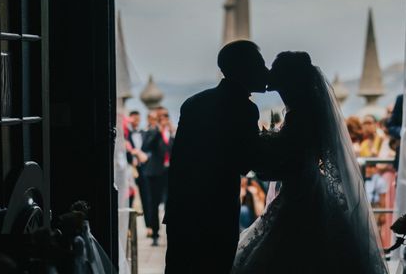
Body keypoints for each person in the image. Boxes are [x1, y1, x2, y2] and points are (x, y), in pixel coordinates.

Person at [232, 51, 388, 274]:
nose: (269, 72)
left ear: (288, 78)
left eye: (275, 68)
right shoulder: (303, 112)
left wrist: (262, 154)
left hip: (300, 197)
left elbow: (290, 160)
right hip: (306, 191)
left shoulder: (300, 117)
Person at [164, 40, 269, 273]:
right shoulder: (244, 108)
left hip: (182, 208)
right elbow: (244, 163)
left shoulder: (193, 103)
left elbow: (180, 161)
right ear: (245, 69)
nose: (266, 71)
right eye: (260, 65)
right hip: (216, 212)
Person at [142, 108, 174, 246]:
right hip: (155, 173)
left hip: (169, 172)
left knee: (170, 202)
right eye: (161, 117)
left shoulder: (171, 134)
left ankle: (171, 230)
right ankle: (155, 232)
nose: (164, 120)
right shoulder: (152, 132)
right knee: (154, 203)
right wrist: (158, 132)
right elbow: (146, 147)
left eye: (166, 117)